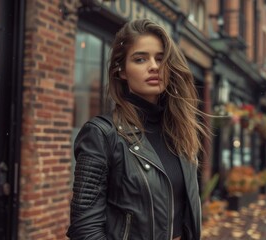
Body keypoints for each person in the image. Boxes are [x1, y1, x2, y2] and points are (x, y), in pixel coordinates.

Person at [67, 18, 208, 240]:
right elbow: (85, 228)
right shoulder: (102, 134)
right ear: (121, 71)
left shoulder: (179, 132)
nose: (154, 66)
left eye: (161, 58)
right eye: (140, 59)